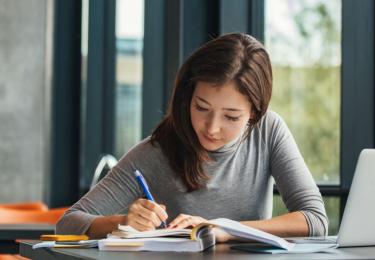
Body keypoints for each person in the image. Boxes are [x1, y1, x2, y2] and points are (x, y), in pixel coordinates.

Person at [56, 33, 328, 242]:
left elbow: (314, 220)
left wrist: (224, 229)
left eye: (231, 117)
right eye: (201, 108)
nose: (211, 128)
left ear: (254, 114)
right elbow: (68, 223)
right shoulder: (158, 150)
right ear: (187, 97)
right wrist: (124, 221)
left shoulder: (268, 131)